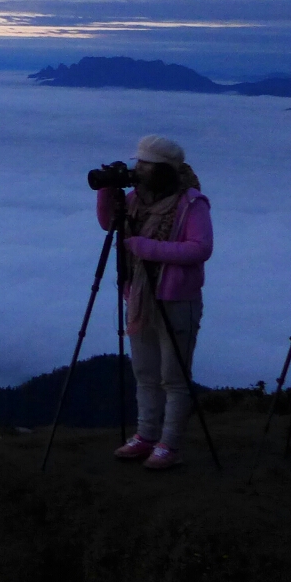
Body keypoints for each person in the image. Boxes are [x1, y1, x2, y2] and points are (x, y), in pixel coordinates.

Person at [99, 134, 213, 471]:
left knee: (173, 377)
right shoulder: (135, 199)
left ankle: (169, 444)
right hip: (140, 296)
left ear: (163, 169)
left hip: (177, 299)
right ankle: (146, 435)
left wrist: (146, 248)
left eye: (145, 163)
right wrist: (107, 192)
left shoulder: (191, 203)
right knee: (145, 372)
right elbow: (109, 224)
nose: (139, 168)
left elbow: (200, 248)